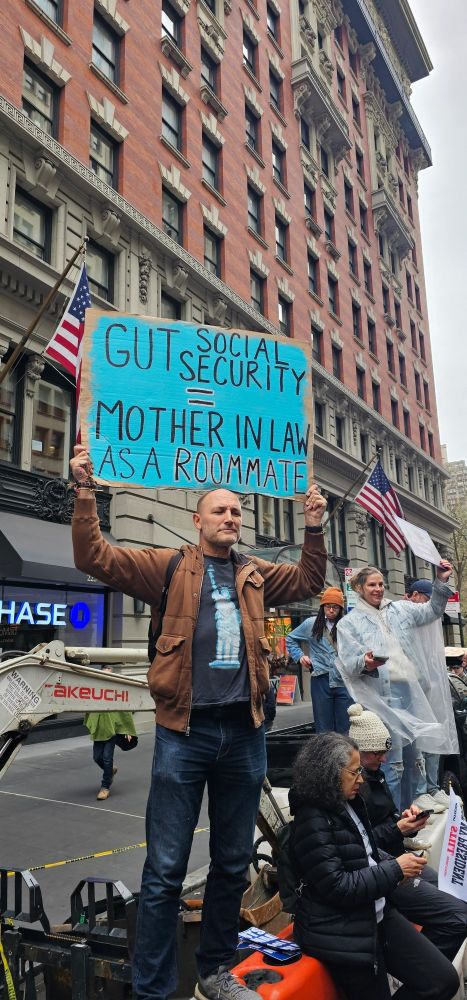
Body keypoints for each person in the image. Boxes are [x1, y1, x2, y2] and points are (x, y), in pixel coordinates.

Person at [70, 444, 327, 1000]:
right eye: (220, 511)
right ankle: (153, 990)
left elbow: (310, 579)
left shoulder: (255, 574)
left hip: (245, 732)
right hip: (184, 733)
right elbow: (95, 557)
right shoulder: (167, 566)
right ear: (198, 520)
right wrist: (86, 493)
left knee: (232, 863)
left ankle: (214, 970)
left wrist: (313, 526)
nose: (230, 518)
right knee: (164, 871)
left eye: (236, 512)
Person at [289, 732, 459, 1000]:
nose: (361, 779)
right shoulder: (311, 819)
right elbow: (338, 887)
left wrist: (396, 854)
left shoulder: (349, 802)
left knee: (443, 980)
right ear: (329, 774)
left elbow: (365, 852)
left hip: (376, 913)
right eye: (354, 772)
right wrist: (394, 870)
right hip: (343, 932)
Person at [348, 703, 467, 961]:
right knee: (459, 916)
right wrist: (395, 829)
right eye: (377, 753)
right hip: (385, 871)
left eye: (385, 751)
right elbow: (359, 843)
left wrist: (403, 820)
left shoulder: (376, 777)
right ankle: (421, 963)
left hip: (399, 861)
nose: (383, 758)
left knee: (457, 890)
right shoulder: (352, 790)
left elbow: (383, 820)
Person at [336, 564, 458, 811]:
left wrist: (440, 582)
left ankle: (414, 812)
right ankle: (393, 819)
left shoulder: (400, 609)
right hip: (382, 698)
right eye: (372, 585)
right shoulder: (348, 624)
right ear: (359, 588)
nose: (378, 589)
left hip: (412, 694)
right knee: (393, 763)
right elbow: (348, 664)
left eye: (381, 584)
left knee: (416, 757)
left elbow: (433, 610)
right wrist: (365, 662)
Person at [405, 580, 450, 812]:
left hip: (431, 685)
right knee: (418, 742)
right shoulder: (405, 614)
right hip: (412, 687)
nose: (431, 604)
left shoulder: (430, 618)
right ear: (414, 595)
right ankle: (420, 790)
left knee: (434, 737)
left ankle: (432, 787)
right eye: (427, 598)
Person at [285, 587, 352, 733]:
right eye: (328, 606)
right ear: (322, 607)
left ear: (340, 609)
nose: (331, 610)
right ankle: (326, 755)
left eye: (335, 607)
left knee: (345, 725)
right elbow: (290, 639)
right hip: (321, 678)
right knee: (323, 726)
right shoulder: (311, 623)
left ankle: (345, 755)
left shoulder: (347, 624)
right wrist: (300, 656)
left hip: (344, 679)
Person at [84, 666, 138, 800]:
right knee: (97, 758)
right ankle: (111, 770)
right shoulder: (95, 690)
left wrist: (127, 729)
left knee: (107, 758)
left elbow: (125, 711)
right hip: (99, 729)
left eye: (109, 674)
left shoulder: (116, 690)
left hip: (112, 730)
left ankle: (105, 786)